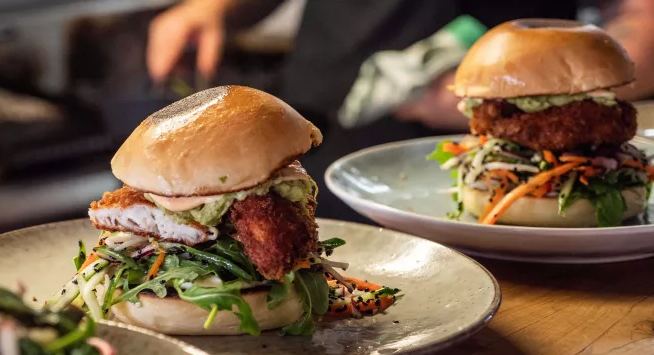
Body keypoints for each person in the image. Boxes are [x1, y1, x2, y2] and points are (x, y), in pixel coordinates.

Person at [146, 0, 654, 219]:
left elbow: (639, 19)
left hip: (478, 142)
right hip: (308, 128)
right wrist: (209, 9)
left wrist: (509, 98)